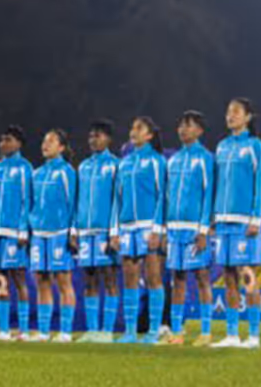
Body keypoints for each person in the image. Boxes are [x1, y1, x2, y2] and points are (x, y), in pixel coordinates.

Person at [209, 98, 261, 350]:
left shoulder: (255, 146)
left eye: (236, 112)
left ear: (248, 117)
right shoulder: (221, 147)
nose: (230, 116)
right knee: (229, 277)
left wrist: (256, 218)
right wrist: (212, 218)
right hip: (223, 223)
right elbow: (216, 184)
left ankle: (253, 336)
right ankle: (232, 334)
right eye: (228, 112)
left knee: (248, 275)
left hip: (245, 223)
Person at [111, 117, 168, 345]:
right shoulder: (124, 163)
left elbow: (163, 196)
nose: (133, 131)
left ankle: (154, 330)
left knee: (153, 277)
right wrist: (114, 231)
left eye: (139, 128)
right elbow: (117, 199)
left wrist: (158, 229)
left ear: (150, 135)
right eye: (132, 127)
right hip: (126, 228)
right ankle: (131, 332)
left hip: (148, 227)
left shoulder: (157, 161)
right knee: (130, 280)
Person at [164, 111, 215, 347]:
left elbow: (208, 195)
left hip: (195, 230)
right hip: (174, 230)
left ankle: (206, 331)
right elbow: (166, 197)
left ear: (199, 131)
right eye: (181, 125)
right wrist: (163, 229)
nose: (183, 129)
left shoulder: (205, 158)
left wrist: (203, 230)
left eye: (189, 126)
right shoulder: (173, 160)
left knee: (203, 277)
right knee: (178, 279)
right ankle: (177, 332)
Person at [27, 128, 78, 343]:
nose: (45, 144)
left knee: (63, 281)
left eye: (51, 141)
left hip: (59, 233)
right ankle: (44, 332)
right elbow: (31, 204)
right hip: (39, 234)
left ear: (62, 147)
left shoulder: (67, 172)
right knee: (42, 282)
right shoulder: (36, 174)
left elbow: (74, 203)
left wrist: (72, 230)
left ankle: (65, 332)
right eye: (44, 140)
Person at [73, 120, 120, 344]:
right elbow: (77, 200)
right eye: (91, 136)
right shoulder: (83, 166)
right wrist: (75, 229)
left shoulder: (115, 165)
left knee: (110, 279)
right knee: (89, 280)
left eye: (99, 136)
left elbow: (118, 202)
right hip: (85, 231)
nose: (94, 140)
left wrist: (114, 231)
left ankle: (107, 330)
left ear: (108, 139)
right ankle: (92, 330)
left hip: (105, 231)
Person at [0, 125, 35, 341]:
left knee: (19, 279)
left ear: (18, 144)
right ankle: (4, 330)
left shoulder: (25, 167)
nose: (3, 143)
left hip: (14, 231)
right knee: (0, 280)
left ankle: (23, 329)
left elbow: (27, 200)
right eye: (2, 140)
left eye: (8, 140)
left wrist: (23, 228)